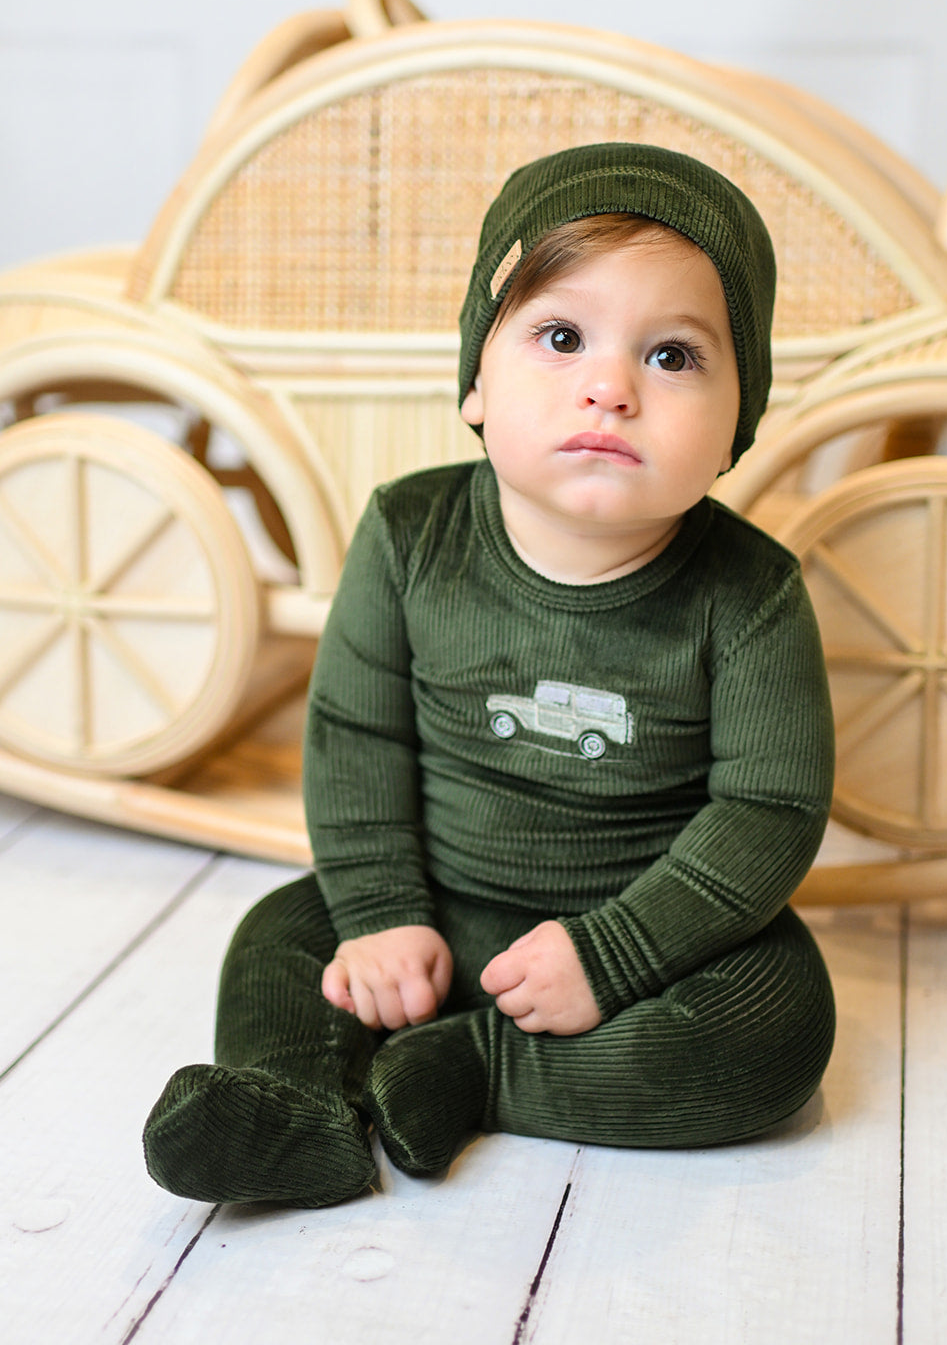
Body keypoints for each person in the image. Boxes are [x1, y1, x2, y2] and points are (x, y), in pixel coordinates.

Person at [143, 141, 836, 1209]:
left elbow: (768, 807)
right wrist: (377, 912)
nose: (608, 387)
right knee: (281, 934)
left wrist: (614, 956)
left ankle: (476, 1071)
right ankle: (292, 1112)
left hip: (644, 939)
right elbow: (354, 733)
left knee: (779, 1023)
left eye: (672, 357)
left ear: (738, 421)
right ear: (475, 381)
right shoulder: (409, 534)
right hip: (432, 907)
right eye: (560, 337)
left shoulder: (749, 593)